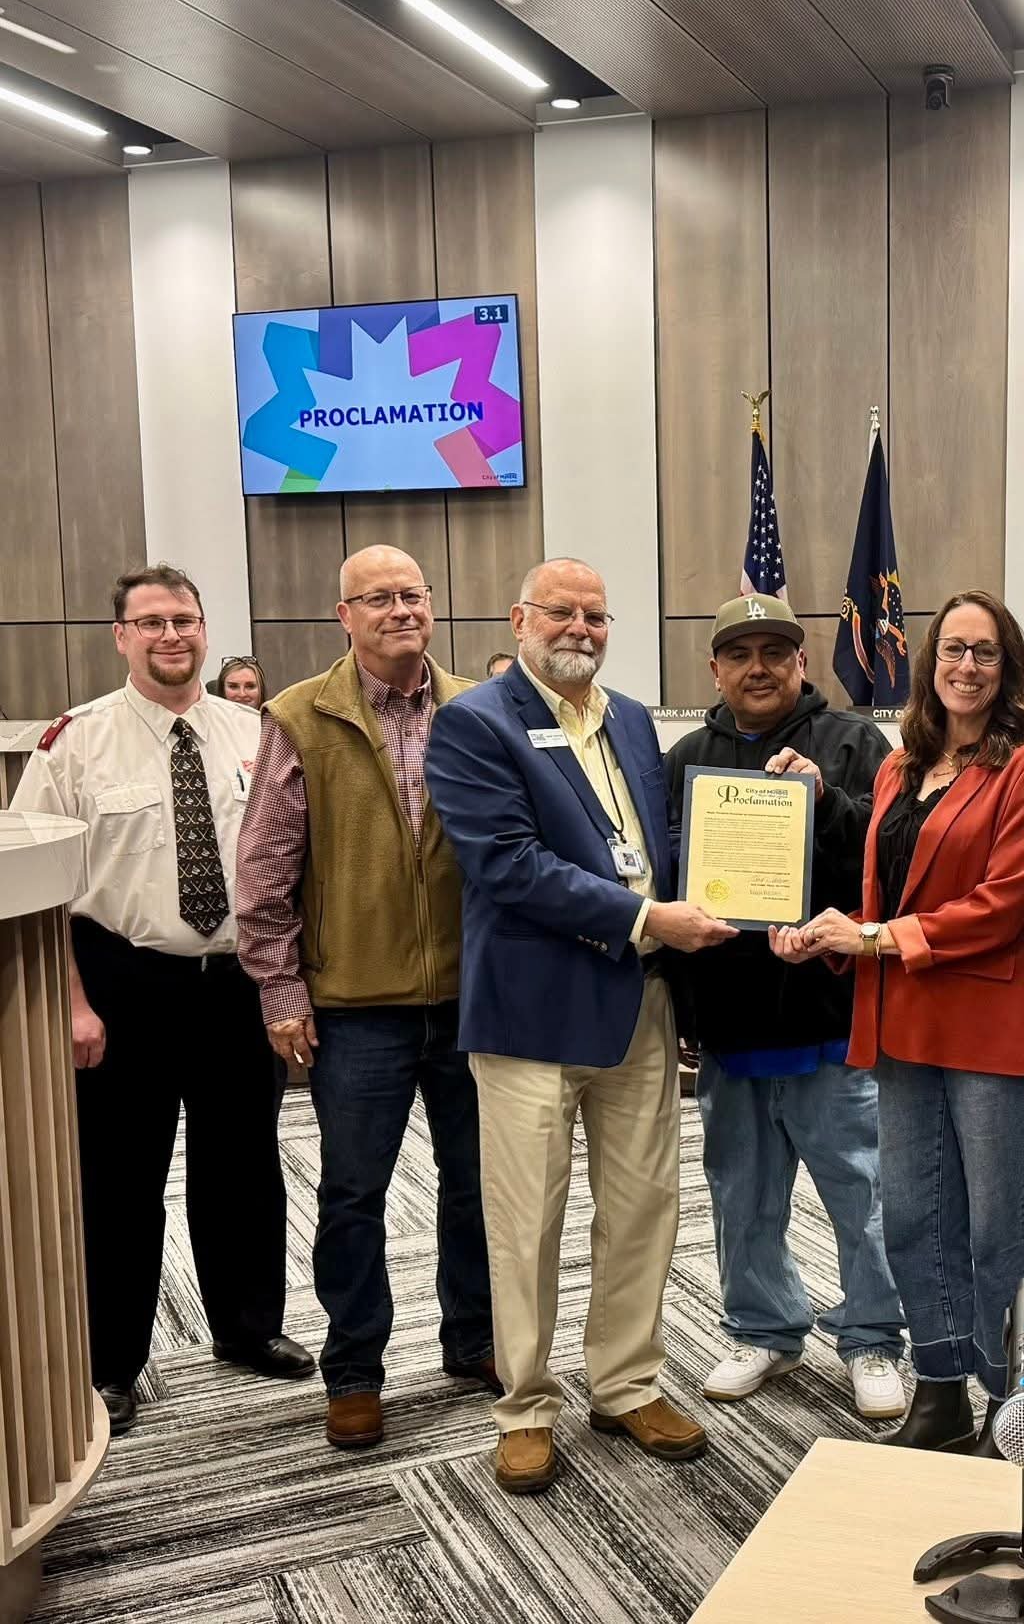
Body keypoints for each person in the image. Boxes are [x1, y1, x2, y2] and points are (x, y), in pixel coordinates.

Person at [425, 558, 737, 1495]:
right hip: (530, 1013)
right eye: (562, 612)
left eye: (598, 615)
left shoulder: (633, 719)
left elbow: (663, 848)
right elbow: (507, 866)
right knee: (526, 1223)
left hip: (637, 1004)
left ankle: (626, 1382)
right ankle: (524, 1405)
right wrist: (646, 919)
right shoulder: (475, 723)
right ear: (521, 618)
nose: (582, 629)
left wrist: (760, 828)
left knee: (644, 1206)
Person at [9, 565, 311, 1434]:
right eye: (151, 622)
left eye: (184, 619)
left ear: (205, 629)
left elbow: (290, 867)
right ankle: (112, 1363)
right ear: (121, 636)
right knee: (120, 1180)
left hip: (236, 984)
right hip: (122, 985)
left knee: (245, 1165)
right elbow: (41, 891)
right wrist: (70, 1005)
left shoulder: (258, 733)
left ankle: (248, 1329)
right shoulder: (74, 743)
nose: (170, 636)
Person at [770, 590, 1024, 1456]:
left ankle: (1022, 1398)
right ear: (929, 664)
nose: (965, 667)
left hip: (987, 1024)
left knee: (999, 1229)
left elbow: (1000, 904)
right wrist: (826, 941)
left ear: (1007, 670)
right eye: (952, 651)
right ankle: (939, 1388)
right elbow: (880, 897)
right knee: (911, 1218)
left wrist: (874, 937)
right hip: (902, 1022)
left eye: (984, 653)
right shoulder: (899, 767)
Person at [235, 546, 494, 1450]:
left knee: (477, 1188)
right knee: (352, 1195)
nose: (399, 611)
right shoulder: (300, 716)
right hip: (355, 1006)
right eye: (377, 598)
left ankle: (476, 1340)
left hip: (472, 1000)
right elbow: (264, 872)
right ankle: (354, 1369)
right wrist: (280, 989)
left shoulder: (479, 708)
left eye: (412, 595)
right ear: (344, 614)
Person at [662, 595, 905, 1419]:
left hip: (830, 1023)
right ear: (716, 669)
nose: (758, 667)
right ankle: (763, 1328)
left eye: (776, 651)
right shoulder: (690, 756)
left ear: (802, 663)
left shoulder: (854, 742)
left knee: (860, 1194)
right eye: (741, 654)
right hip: (733, 1027)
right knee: (742, 1194)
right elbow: (667, 873)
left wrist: (826, 800)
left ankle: (873, 1339)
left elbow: (896, 853)